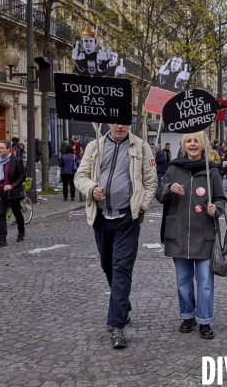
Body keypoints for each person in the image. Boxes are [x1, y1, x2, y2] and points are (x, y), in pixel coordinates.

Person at [74, 123, 157, 349]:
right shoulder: (94, 146)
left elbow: (151, 182)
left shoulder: (140, 147)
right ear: (109, 123)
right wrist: (91, 188)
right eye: (115, 122)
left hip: (127, 219)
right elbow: (80, 176)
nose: (120, 126)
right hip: (100, 218)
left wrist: (142, 207)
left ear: (128, 124)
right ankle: (123, 305)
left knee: (121, 268)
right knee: (108, 266)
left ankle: (116, 323)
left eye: (124, 122)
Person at [156, 131, 227, 340]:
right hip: (178, 234)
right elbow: (160, 194)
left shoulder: (211, 171)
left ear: (203, 146)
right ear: (183, 145)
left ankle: (205, 320)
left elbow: (222, 200)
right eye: (189, 141)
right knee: (183, 280)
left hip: (204, 234)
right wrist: (169, 187)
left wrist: (217, 208)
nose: (193, 144)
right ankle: (188, 316)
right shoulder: (174, 168)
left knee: (205, 281)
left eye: (196, 141)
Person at [0, 140, 27, 248]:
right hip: (1, 192)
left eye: (2, 148)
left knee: (17, 213)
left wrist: (12, 185)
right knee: (1, 215)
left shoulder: (16, 161)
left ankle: (21, 232)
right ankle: (2, 239)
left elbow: (22, 176)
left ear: (8, 149)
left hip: (13, 192)